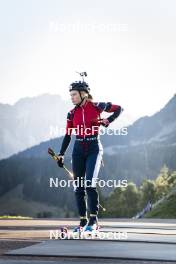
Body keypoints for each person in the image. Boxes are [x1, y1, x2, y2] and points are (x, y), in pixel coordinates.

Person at [57, 79, 123, 232]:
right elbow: (68, 135)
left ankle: (93, 222)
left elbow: (119, 108)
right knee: (78, 187)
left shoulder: (97, 106)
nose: (71, 97)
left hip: (94, 148)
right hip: (78, 149)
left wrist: (109, 119)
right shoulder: (71, 113)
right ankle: (82, 222)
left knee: (89, 185)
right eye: (71, 95)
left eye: (74, 94)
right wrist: (61, 154)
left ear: (83, 94)